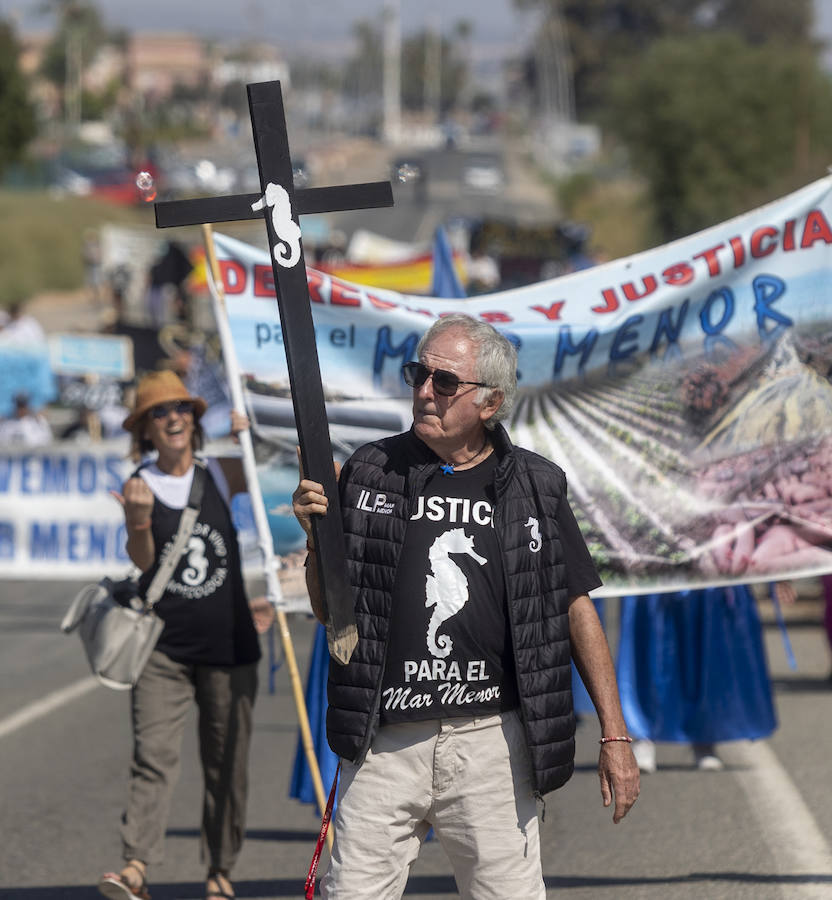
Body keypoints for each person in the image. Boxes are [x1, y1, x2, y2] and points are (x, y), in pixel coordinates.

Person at [291, 313, 640, 899]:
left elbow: (576, 607)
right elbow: (332, 614)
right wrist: (315, 541)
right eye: (418, 374)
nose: (425, 391)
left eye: (445, 382)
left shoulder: (536, 485)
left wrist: (615, 736)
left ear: (490, 402)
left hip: (491, 747)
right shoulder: (368, 470)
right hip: (385, 744)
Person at [99, 371, 274, 900]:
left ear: (195, 420)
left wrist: (255, 432)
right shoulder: (139, 485)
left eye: (183, 408)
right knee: (152, 757)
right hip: (163, 650)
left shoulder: (222, 470)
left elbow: (279, 470)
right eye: (160, 412)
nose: (174, 418)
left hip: (231, 647)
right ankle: (136, 866)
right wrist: (136, 523)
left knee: (227, 763)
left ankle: (221, 870)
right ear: (144, 430)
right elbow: (144, 563)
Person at [617, 583, 794, 774]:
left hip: (707, 579)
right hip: (656, 578)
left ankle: (704, 738)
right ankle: (644, 735)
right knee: (653, 650)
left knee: (707, 652)